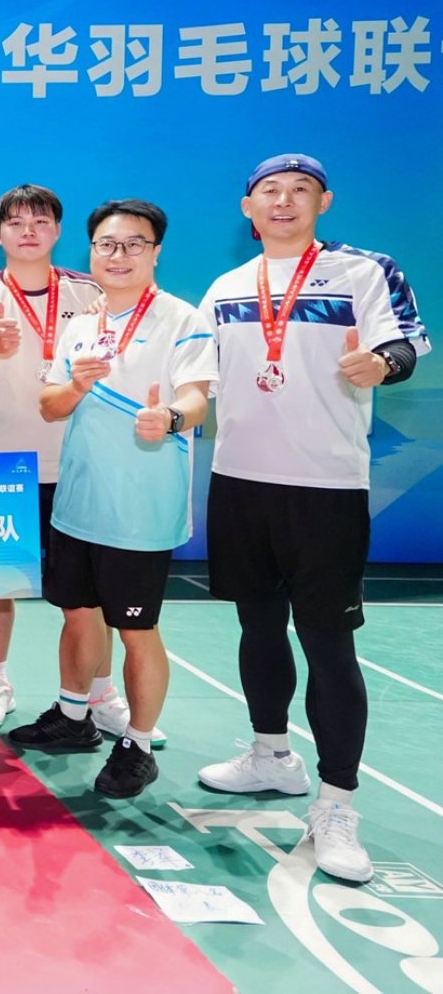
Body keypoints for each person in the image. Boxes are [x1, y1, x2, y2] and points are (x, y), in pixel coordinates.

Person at [196, 153, 428, 880]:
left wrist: (383, 365)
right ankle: (271, 754)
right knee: (258, 627)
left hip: (325, 487)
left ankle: (336, 803)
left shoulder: (365, 271)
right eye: (270, 191)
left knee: (328, 642)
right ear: (248, 207)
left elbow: (405, 344)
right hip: (240, 481)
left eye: (301, 190)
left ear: (323, 201)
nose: (284, 201)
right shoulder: (227, 287)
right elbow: (197, 373)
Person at [8, 200, 215, 800]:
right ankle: (74, 717)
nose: (118, 255)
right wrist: (76, 383)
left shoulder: (182, 319)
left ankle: (139, 746)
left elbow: (198, 399)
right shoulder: (82, 324)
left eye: (133, 244)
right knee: (77, 613)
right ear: (91, 251)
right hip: (78, 501)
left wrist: (169, 417)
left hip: (140, 511)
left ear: (156, 252)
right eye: (106, 244)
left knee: (136, 629)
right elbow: (49, 405)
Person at [0, 185, 154, 741]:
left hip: (80, 464)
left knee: (88, 594)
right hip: (0, 462)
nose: (28, 232)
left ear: (58, 231)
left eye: (40, 221)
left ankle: (100, 694)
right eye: (15, 223)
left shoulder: (93, 290)